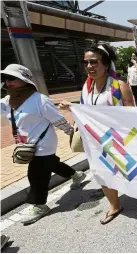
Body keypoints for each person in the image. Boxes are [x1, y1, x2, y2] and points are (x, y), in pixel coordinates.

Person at [1, 64, 86, 225]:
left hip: (44, 143)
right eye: (6, 79)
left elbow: (58, 119)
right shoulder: (8, 100)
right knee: (51, 164)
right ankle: (76, 175)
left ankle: (39, 204)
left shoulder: (39, 100)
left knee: (36, 174)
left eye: (12, 78)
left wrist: (70, 132)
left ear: (24, 80)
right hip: (27, 144)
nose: (8, 82)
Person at [60, 44, 135, 224]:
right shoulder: (86, 87)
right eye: (85, 62)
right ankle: (114, 205)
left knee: (130, 172)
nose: (89, 66)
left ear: (106, 64)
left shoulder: (119, 86)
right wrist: (72, 109)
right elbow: (85, 110)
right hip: (93, 140)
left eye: (93, 62)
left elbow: (133, 115)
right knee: (100, 172)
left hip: (116, 140)